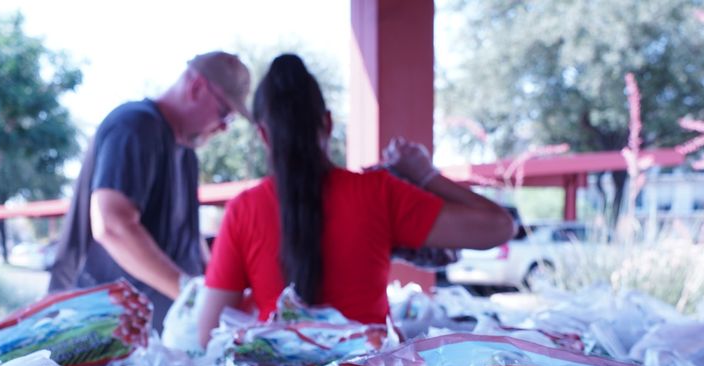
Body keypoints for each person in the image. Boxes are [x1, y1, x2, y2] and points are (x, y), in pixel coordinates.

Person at [195, 53, 514, 346]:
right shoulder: (377, 193)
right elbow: (499, 227)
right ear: (328, 124)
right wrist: (425, 174)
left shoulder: (243, 210)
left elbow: (207, 334)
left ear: (263, 135)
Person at [49, 51, 250, 329]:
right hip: (97, 333)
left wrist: (219, 289)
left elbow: (191, 244)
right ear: (197, 88)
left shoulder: (186, 156)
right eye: (224, 113)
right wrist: (192, 297)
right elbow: (112, 226)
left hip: (152, 340)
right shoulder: (136, 125)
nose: (224, 128)